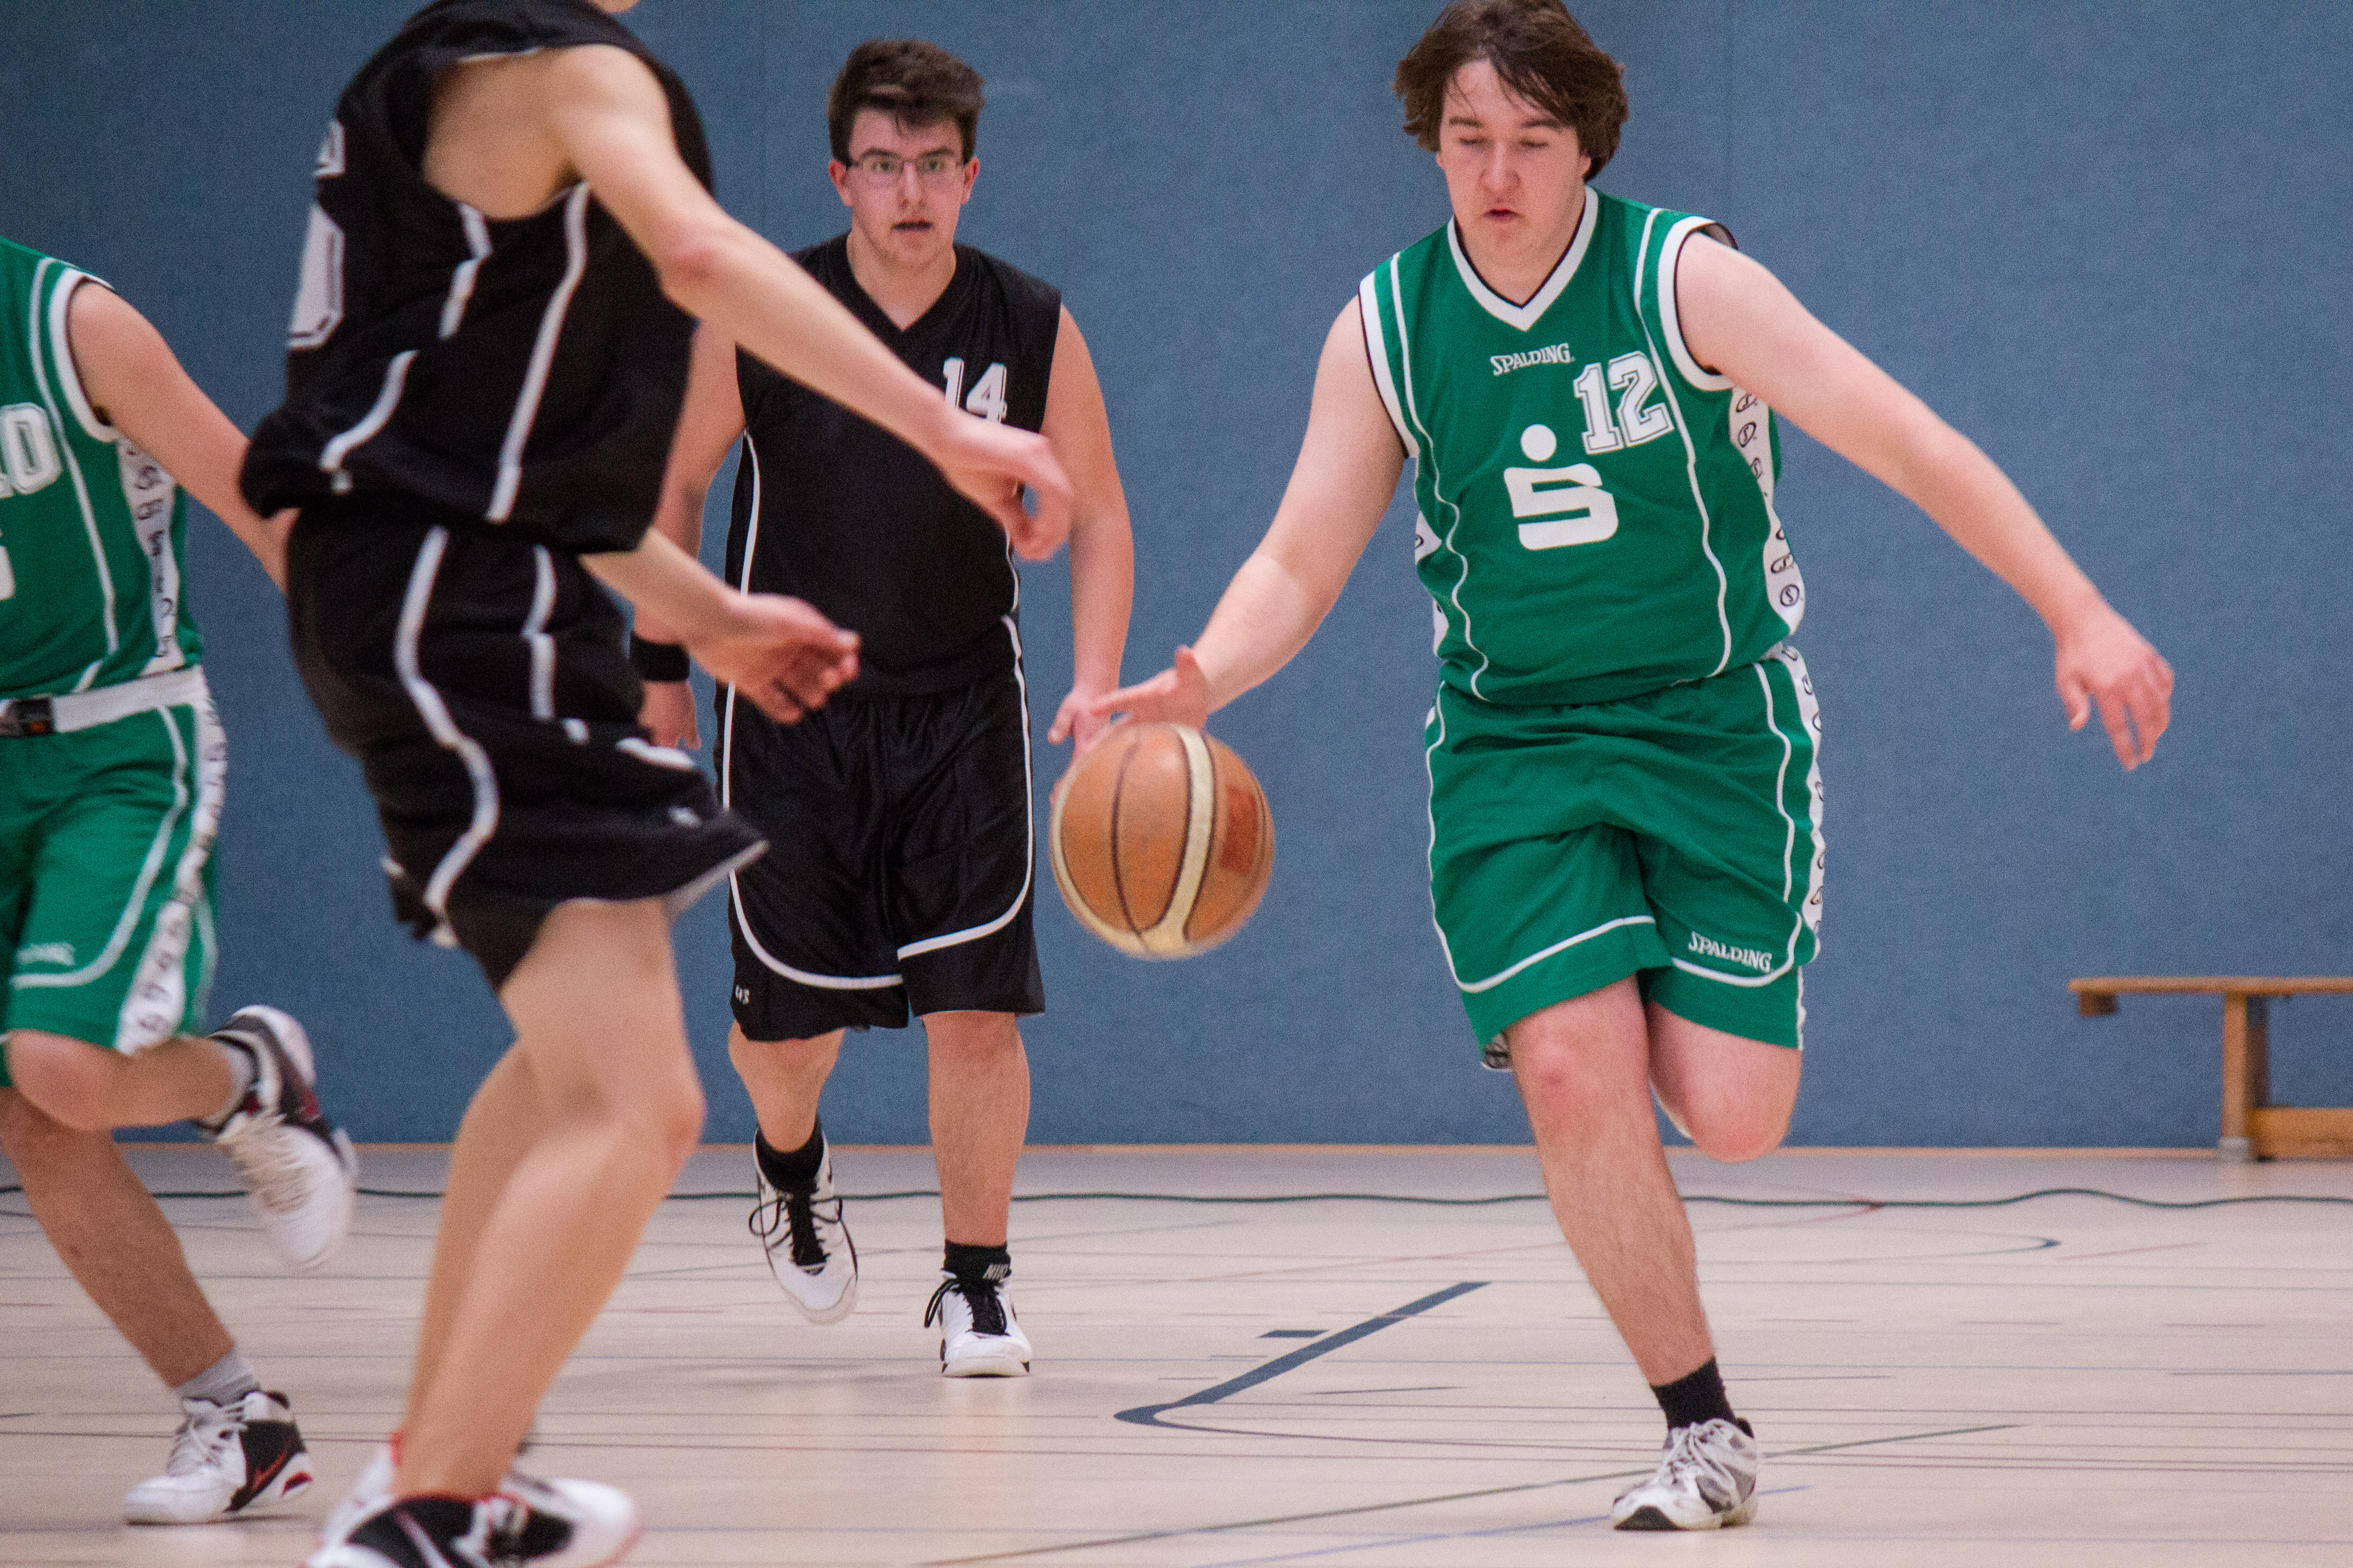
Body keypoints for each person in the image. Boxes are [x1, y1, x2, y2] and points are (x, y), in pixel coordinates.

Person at [1091, 0, 2171, 1533]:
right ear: (1430, 145)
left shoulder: (1683, 280)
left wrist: (2076, 607)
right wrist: (1205, 671)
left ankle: (1652, 988)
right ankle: (1699, 1425)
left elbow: (1902, 437)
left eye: (1530, 140)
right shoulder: (1386, 327)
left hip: (1713, 720)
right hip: (1514, 741)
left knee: (1733, 1112)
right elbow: (1297, 556)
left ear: (1587, 144)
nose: (1497, 172)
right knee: (1565, 1063)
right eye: (1467, 138)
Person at [236, 3, 1071, 1564]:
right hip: (451, 601)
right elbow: (699, 256)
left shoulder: (438, 72)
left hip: (462, 583)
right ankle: (421, 1509)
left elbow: (495, 451)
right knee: (642, 1104)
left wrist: (705, 613)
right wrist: (939, 426)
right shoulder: (572, 73)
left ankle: (446, 1463)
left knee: (565, 1072)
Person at [635, 38, 1134, 1379]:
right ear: (839, 178)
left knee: (976, 1008)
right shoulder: (772, 312)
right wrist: (662, 668)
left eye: (931, 165)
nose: (907, 191)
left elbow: (1099, 513)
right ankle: (790, 1166)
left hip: (962, 703)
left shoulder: (1028, 323)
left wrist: (1095, 682)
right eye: (880, 165)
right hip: (790, 710)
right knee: (785, 1038)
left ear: (970, 177)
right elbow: (674, 486)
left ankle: (976, 1281)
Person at [0, 234, 358, 1524]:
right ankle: (238, 1419)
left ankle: (248, 1076)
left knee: (59, 1068)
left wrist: (383, 688)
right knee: (36, 1120)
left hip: (117, 742)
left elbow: (259, 504)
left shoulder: (72, 322)